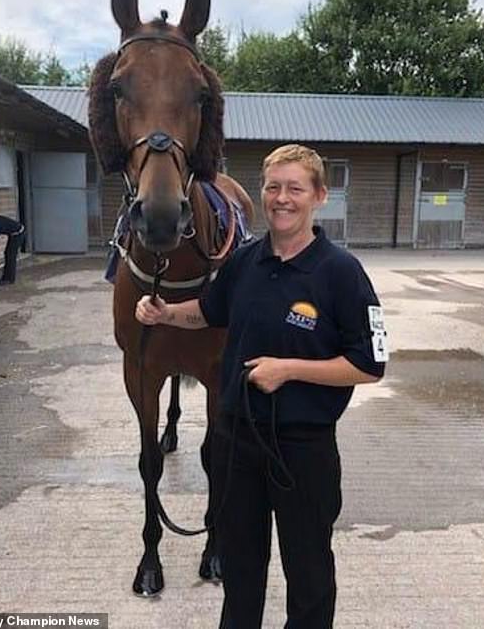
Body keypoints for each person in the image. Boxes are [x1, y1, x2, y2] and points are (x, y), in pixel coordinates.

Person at [135, 144, 388, 628]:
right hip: (236, 441)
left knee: (309, 572)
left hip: (301, 449)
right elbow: (208, 313)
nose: (281, 198)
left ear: (319, 195)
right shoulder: (245, 261)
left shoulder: (342, 273)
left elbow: (369, 365)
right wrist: (166, 313)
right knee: (242, 568)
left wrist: (289, 369)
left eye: (295, 188)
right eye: (273, 187)